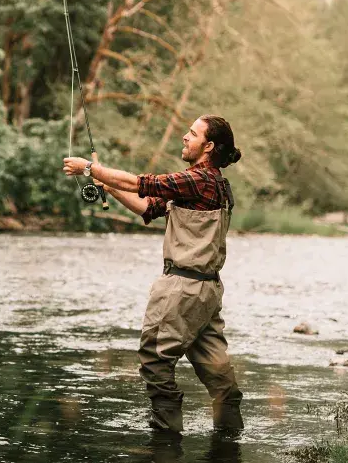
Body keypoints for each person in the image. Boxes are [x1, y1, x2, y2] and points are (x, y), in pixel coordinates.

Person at [62, 115, 244, 433]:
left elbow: (140, 183)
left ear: (209, 146)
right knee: (217, 371)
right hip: (207, 292)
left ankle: (166, 439)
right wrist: (109, 186)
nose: (185, 137)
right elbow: (148, 207)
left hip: (182, 289)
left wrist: (88, 169)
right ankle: (229, 440)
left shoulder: (196, 180)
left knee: (155, 359)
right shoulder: (213, 183)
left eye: (192, 133)